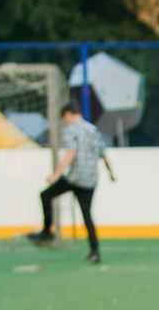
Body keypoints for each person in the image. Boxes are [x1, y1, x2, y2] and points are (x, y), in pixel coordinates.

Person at [29, 99, 113, 263]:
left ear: (67, 114)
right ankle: (95, 252)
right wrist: (111, 174)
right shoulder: (93, 129)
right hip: (90, 179)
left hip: (75, 178)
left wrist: (56, 175)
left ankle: (47, 232)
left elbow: (71, 153)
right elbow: (104, 154)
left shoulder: (71, 129)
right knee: (87, 216)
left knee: (45, 195)